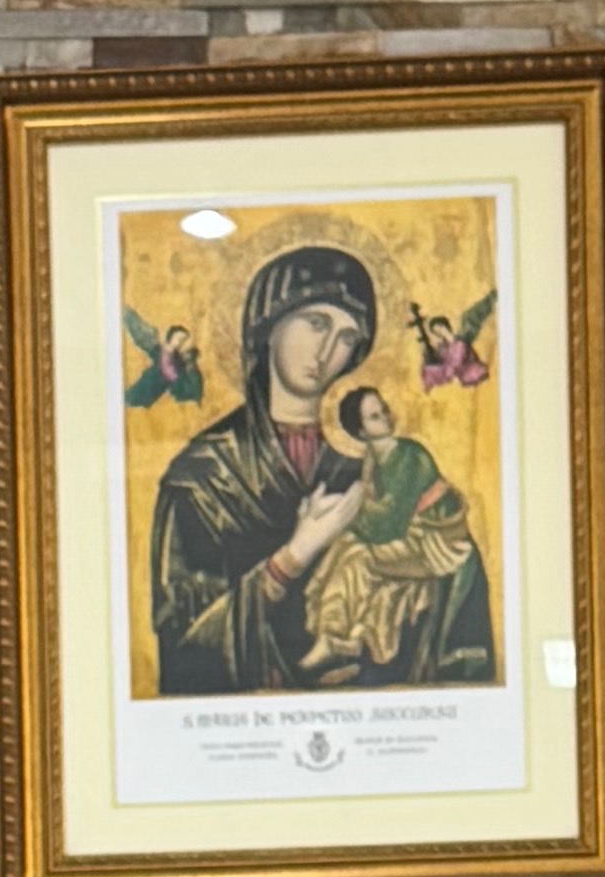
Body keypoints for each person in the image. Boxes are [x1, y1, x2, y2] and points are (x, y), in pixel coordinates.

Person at [146, 238, 496, 695]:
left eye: (347, 338)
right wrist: (293, 557)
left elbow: (457, 570)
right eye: (316, 323)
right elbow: (184, 653)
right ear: (267, 326)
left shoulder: (378, 463)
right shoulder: (203, 476)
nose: (328, 349)